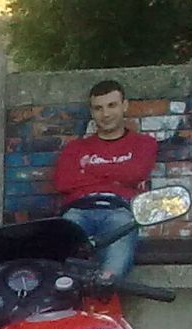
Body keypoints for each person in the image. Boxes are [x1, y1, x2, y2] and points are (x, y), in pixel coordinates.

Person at [54, 79, 158, 280]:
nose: (106, 114)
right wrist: (116, 177)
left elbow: (136, 173)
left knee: (111, 275)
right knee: (61, 271)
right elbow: (63, 182)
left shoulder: (144, 143)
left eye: (112, 105)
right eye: (98, 108)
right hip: (78, 212)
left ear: (124, 106)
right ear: (92, 112)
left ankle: (104, 298)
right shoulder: (75, 148)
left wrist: (88, 173)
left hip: (119, 212)